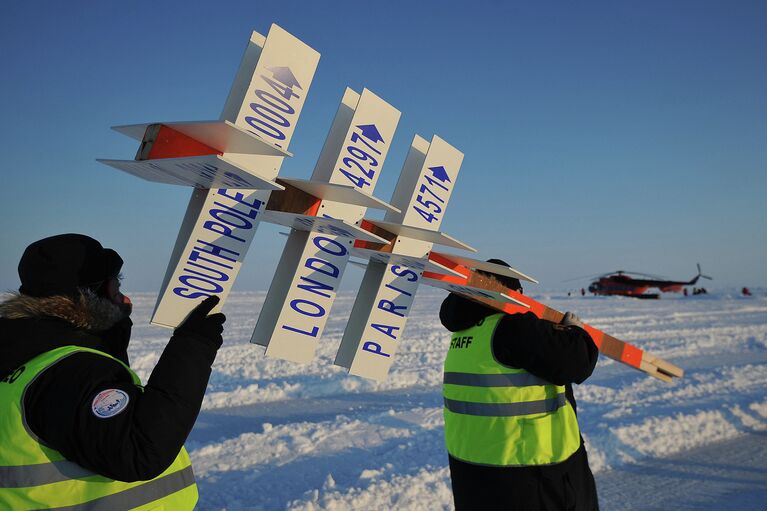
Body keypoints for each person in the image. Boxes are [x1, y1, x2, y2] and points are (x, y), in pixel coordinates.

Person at [0, 233, 226, 510]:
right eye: (116, 288)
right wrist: (193, 347)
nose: (126, 298)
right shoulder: (67, 370)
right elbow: (140, 450)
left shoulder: (25, 353)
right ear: (92, 295)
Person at [440, 259, 599, 511]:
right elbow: (577, 362)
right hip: (534, 475)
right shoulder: (512, 327)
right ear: (509, 292)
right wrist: (575, 332)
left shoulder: (462, 335)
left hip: (472, 475)